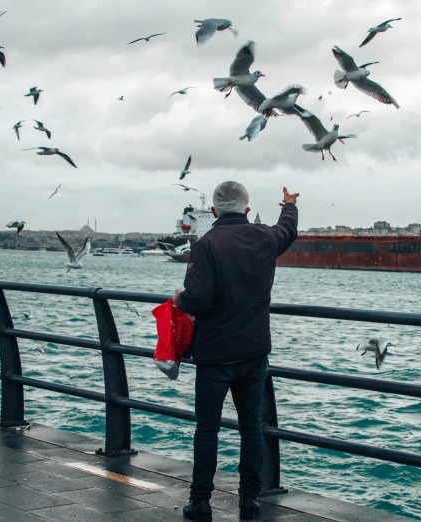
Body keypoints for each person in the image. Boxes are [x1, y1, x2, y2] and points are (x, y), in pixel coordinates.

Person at [173, 181, 299, 521]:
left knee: (207, 429)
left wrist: (177, 299)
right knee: (252, 428)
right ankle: (249, 500)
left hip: (215, 355)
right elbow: (287, 229)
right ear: (246, 209)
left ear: (213, 211)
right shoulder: (265, 237)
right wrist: (288, 204)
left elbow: (197, 300)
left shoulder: (206, 244)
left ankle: (200, 502)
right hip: (255, 353)